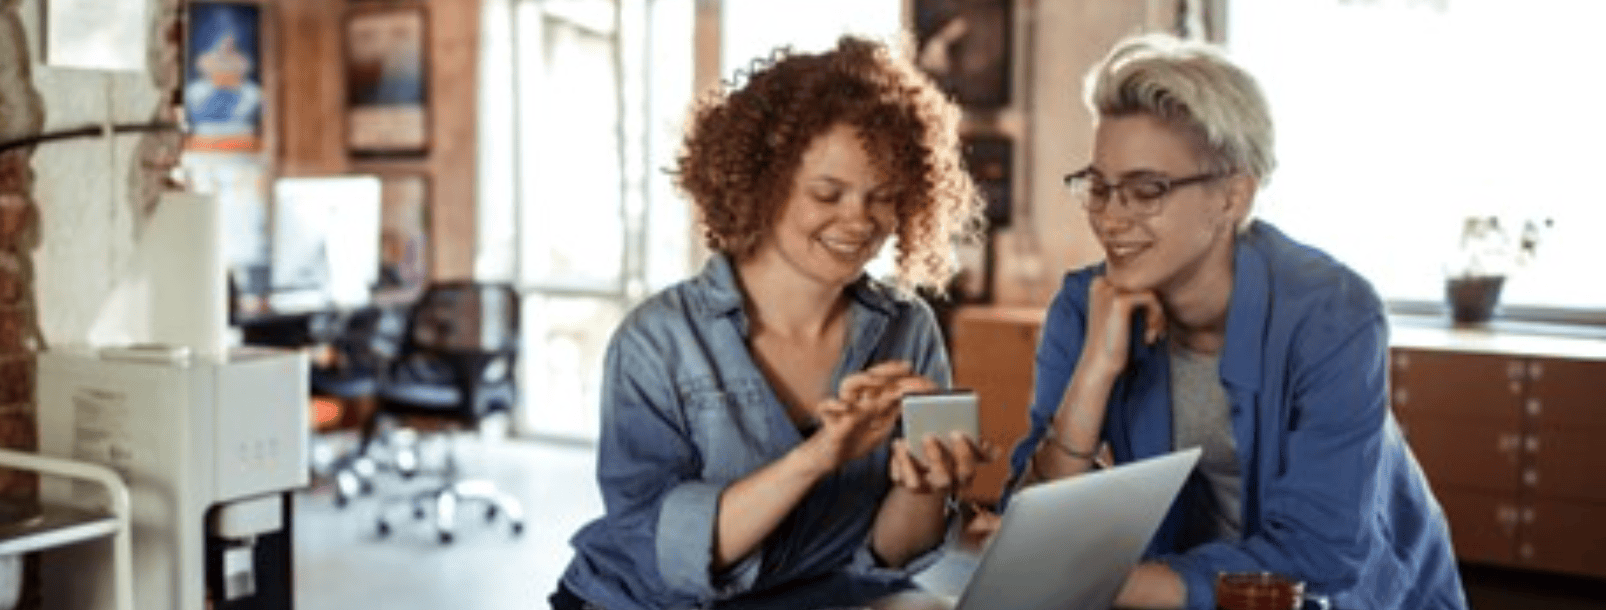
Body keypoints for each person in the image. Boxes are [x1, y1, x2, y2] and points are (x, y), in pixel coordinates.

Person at [1003, 32, 1467, 610]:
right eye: (1099, 187)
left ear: (1232, 197)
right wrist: (1094, 373)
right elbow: (1027, 529)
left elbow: (1321, 555)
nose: (1112, 217)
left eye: (1146, 190)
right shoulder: (1084, 305)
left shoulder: (1333, 314)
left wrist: (1108, 583)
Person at [552, 35, 993, 610]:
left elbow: (889, 556)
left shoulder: (907, 330)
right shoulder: (658, 340)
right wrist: (817, 457)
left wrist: (924, 486)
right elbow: (666, 558)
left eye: (883, 197)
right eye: (827, 193)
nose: (859, 221)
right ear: (762, 186)